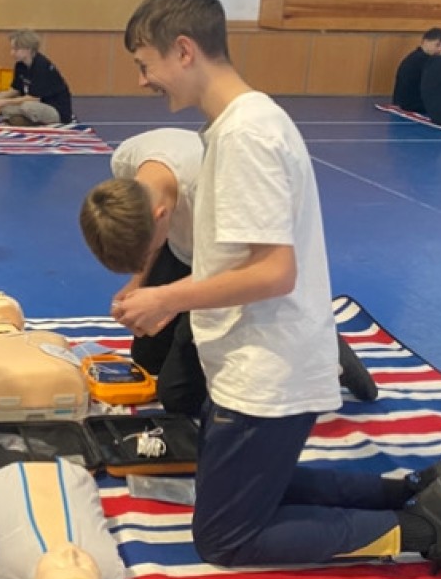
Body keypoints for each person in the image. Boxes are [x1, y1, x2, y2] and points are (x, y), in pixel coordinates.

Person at [109, 0, 441, 579]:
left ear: (184, 50)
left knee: (224, 537)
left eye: (146, 64)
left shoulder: (245, 135)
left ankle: (427, 529)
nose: (144, 80)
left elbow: (274, 272)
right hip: (260, 358)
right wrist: (165, 297)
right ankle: (419, 491)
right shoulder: (240, 123)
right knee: (249, 488)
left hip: (267, 371)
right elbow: (239, 261)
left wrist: (167, 297)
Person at [80, 129, 378, 415]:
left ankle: (320, 340)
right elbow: (143, 228)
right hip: (188, 246)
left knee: (179, 396)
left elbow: (245, 271)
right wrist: (139, 282)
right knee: (147, 357)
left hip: (237, 262)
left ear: (162, 216)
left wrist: (166, 300)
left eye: (145, 253)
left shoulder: (219, 190)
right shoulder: (127, 160)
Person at [0, 29, 74, 126]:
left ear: (28, 49)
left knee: (27, 106)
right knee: (5, 108)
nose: (12, 53)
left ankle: (29, 121)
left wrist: (6, 101)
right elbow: (16, 89)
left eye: (16, 49)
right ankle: (25, 120)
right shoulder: (20, 64)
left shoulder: (41, 66)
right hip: (36, 105)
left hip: (55, 109)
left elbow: (34, 98)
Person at [390, 26, 441, 113]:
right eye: (437, 45)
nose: (440, 49)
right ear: (425, 41)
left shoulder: (417, 56)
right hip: (411, 104)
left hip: (405, 101)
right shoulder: (421, 60)